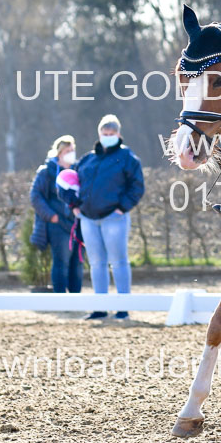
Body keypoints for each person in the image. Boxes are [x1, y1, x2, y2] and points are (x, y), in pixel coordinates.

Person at [70, 114, 145, 320]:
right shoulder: (87, 159)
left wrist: (122, 207)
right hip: (88, 218)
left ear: (119, 134)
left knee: (119, 261)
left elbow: (137, 187)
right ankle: (100, 307)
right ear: (99, 134)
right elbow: (74, 183)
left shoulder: (128, 158)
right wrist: (74, 206)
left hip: (114, 217)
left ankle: (123, 307)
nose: (108, 136)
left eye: (112, 133)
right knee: (96, 263)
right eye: (105, 133)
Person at [29, 135, 83, 293]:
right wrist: (51, 216)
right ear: (59, 153)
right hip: (57, 224)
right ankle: (60, 299)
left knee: (77, 263)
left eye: (73, 150)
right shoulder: (46, 172)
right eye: (68, 150)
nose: (71, 153)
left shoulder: (78, 171)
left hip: (76, 223)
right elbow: (35, 196)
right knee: (62, 262)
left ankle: (75, 298)